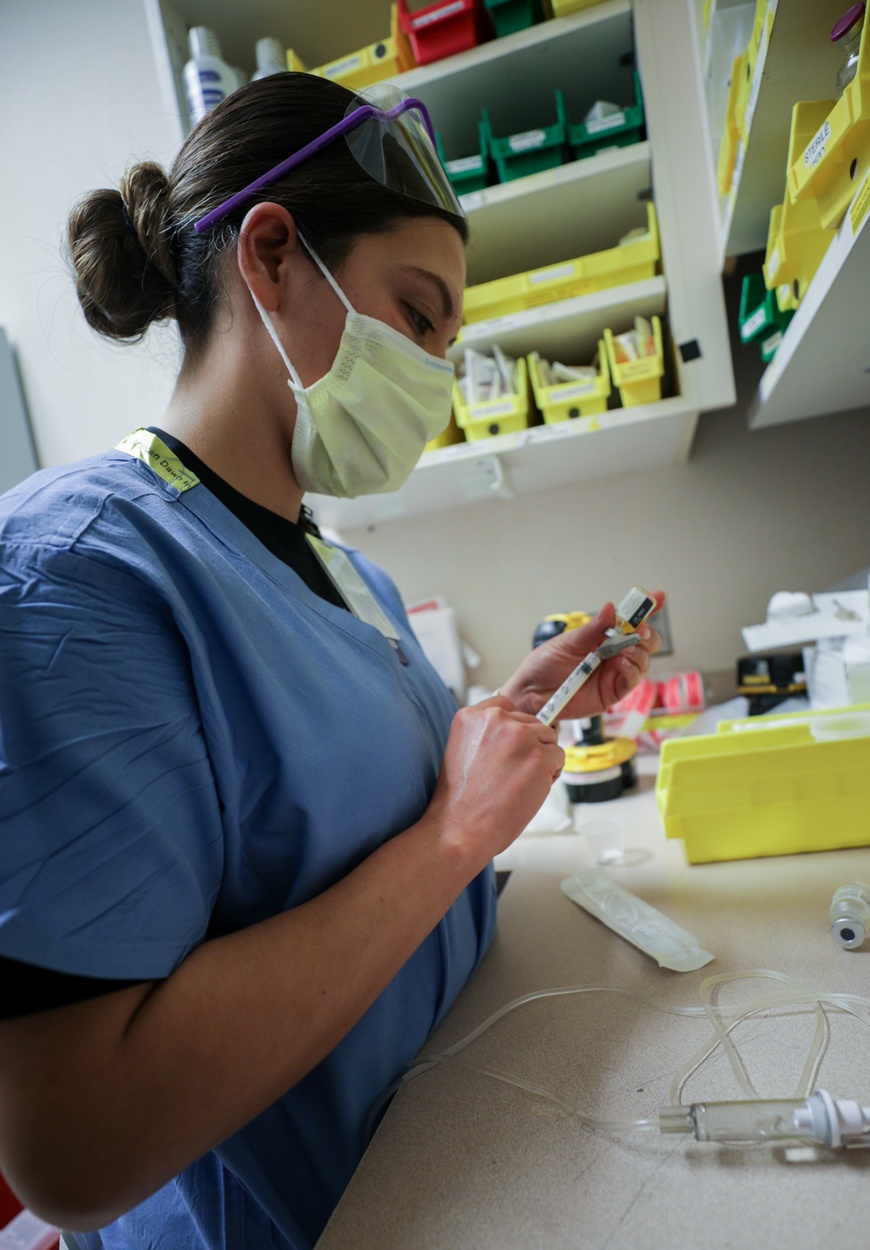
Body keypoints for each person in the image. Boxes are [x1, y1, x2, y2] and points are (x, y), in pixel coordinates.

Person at [0, 73, 661, 1250]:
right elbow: (78, 1146)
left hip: (451, 1154)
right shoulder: (79, 572)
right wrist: (456, 832)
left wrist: (506, 715)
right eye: (417, 317)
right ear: (270, 254)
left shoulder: (339, 566)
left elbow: (349, 821)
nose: (435, 379)